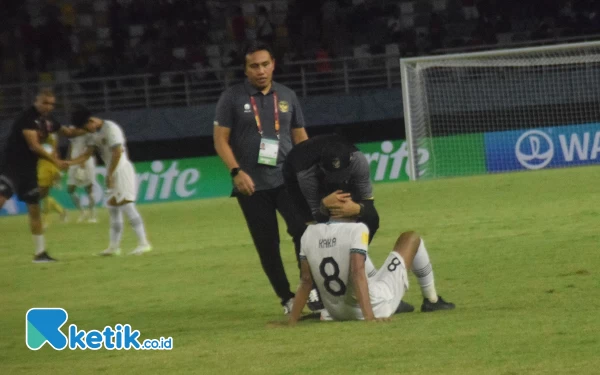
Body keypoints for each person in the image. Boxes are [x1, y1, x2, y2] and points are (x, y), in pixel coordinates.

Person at [213, 41, 316, 314]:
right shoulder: (232, 98)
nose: (260, 71)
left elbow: (300, 138)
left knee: (303, 231)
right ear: (246, 70)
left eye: (265, 64)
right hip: (251, 186)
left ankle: (313, 290)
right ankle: (287, 298)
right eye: (254, 66)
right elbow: (220, 141)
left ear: (273, 65)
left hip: (286, 180)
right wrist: (236, 172)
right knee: (267, 244)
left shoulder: (287, 95)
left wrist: (309, 172)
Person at [283, 133, 415, 313]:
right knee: (305, 232)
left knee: (370, 220)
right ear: (322, 168)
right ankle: (315, 290)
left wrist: (358, 209)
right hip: (294, 172)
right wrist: (323, 205)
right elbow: (318, 219)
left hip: (330, 167)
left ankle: (355, 277)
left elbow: (368, 205)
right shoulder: (306, 174)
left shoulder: (358, 162)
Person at [287, 222, 455, 324]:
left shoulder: (310, 233)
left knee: (351, 255)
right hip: (374, 306)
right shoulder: (356, 229)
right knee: (411, 238)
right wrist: (370, 317)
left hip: (335, 312)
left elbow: (306, 281)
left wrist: (292, 321)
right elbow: (357, 273)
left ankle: (396, 303)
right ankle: (431, 300)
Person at [0, 88, 83, 262]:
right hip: (12, 167)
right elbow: (34, 146)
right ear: (36, 101)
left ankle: (40, 253)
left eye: (52, 103)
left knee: (34, 209)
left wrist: (89, 129)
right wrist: (56, 161)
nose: (48, 106)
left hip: (29, 170)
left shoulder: (48, 121)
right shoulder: (27, 118)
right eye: (45, 102)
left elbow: (67, 132)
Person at [68, 105, 152, 256]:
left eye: (87, 128)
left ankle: (143, 243)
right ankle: (114, 247)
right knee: (113, 208)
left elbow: (117, 152)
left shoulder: (111, 128)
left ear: (91, 121)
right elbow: (87, 154)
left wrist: (110, 174)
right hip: (112, 171)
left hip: (121, 170)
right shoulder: (94, 134)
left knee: (126, 204)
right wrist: (69, 163)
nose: (88, 131)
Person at [37, 132, 68, 227]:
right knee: (43, 195)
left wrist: (56, 170)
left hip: (47, 166)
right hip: (40, 165)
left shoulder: (50, 135)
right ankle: (62, 211)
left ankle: (45, 220)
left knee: (43, 194)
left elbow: (55, 152)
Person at [66, 133, 97, 223]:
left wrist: (83, 162)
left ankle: (92, 214)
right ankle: (82, 212)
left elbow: (89, 148)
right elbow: (71, 146)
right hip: (74, 162)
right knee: (70, 189)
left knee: (89, 189)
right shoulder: (73, 130)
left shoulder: (87, 132)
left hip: (86, 162)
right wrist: (68, 161)